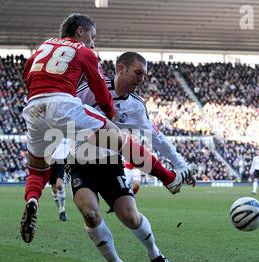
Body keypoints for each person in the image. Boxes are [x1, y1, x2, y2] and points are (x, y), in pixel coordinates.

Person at [20, 13, 193, 244]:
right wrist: (109, 114)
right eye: (92, 36)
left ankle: (32, 200)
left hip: (33, 108)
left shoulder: (44, 46)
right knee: (119, 139)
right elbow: (100, 90)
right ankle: (169, 178)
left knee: (37, 169)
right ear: (80, 31)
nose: (93, 42)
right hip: (62, 105)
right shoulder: (84, 52)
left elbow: (27, 72)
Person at [65, 51, 196, 262]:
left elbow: (158, 139)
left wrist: (181, 165)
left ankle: (155, 253)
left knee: (131, 217)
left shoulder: (135, 106)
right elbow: (64, 111)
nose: (141, 79)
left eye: (144, 75)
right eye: (138, 72)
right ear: (121, 68)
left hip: (110, 164)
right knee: (91, 215)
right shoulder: (89, 90)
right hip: (79, 162)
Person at [50, 138, 69, 221]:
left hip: (61, 160)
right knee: (54, 190)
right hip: (50, 161)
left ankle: (62, 211)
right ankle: (61, 210)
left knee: (59, 186)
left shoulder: (67, 132)